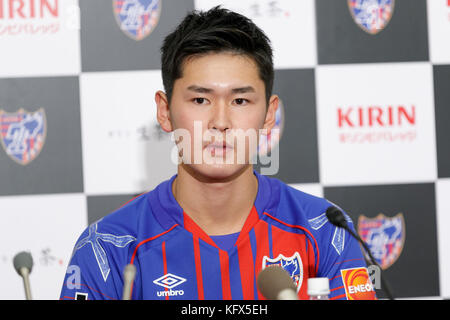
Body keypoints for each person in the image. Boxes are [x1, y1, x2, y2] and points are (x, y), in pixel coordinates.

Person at [60, 6, 376, 300]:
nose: (220, 123)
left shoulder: (324, 232)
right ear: (165, 111)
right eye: (200, 100)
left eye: (240, 101)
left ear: (269, 115)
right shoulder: (108, 247)